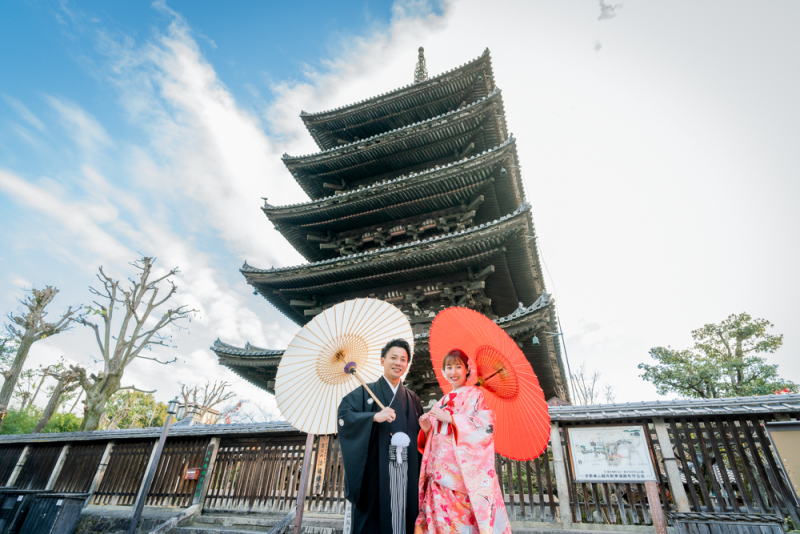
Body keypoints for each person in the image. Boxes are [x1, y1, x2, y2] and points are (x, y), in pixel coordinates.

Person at [415, 349, 512, 534]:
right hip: (437, 473)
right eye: (449, 367)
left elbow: (485, 426)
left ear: (467, 370)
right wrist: (427, 427)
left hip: (460, 475)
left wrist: (453, 419)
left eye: (458, 367)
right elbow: (433, 438)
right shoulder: (441, 401)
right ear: (443, 372)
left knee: (461, 524)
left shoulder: (474, 395)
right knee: (439, 523)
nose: (453, 372)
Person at [338, 339, 424, 534]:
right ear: (382, 360)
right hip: (376, 471)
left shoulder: (413, 398)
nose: (398, 363)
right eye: (393, 358)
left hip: (407, 471)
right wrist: (373, 416)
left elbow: (421, 439)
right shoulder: (364, 392)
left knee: (405, 517)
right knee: (374, 519)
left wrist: (426, 429)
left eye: (403, 359)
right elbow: (344, 416)